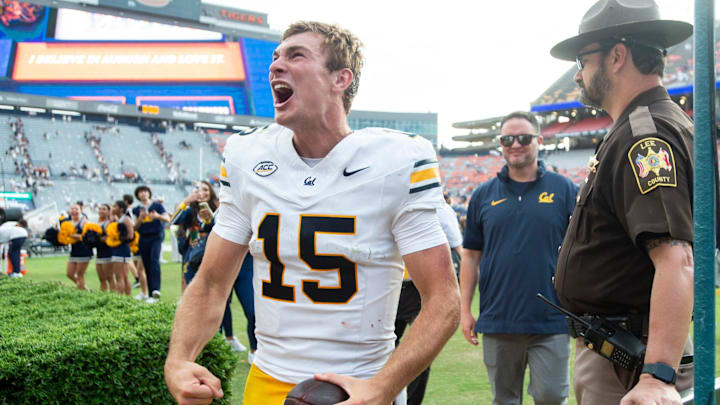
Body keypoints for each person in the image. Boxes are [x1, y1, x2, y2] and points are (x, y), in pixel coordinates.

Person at [164, 21, 460, 405]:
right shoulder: (247, 156)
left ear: (341, 78)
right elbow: (211, 283)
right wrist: (178, 359)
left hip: (361, 385)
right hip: (267, 377)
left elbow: (443, 299)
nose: (276, 66)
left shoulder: (396, 161)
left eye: (296, 55)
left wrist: (383, 387)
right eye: (275, 57)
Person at [549, 1, 694, 403]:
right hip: (622, 350)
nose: (578, 73)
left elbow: (676, 257)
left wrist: (657, 376)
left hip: (630, 360)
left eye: (583, 59)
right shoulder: (644, 124)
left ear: (617, 56)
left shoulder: (645, 135)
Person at [460, 111, 578, 405]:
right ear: (500, 144)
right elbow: (471, 256)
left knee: (552, 397)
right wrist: (464, 310)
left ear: (539, 140)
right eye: (507, 139)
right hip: (499, 319)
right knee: (504, 400)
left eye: (524, 138)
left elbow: (582, 250)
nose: (516, 144)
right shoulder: (482, 195)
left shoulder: (565, 189)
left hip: (551, 318)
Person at [394, 201, 463, 405]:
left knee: (420, 350)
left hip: (419, 288)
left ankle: (412, 401)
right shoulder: (389, 199)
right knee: (383, 347)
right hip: (392, 286)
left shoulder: (438, 208)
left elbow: (457, 247)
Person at [171, 180, 251, 353]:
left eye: (206, 189)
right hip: (192, 260)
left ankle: (228, 337)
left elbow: (228, 229)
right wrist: (187, 200)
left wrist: (211, 217)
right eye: (199, 190)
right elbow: (173, 221)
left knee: (221, 299)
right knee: (195, 299)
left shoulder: (218, 206)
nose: (202, 192)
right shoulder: (190, 210)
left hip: (216, 257)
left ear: (212, 192)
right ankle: (200, 341)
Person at [132, 185, 169, 300]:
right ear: (137, 195)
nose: (143, 194)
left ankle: (156, 289)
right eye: (140, 192)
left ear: (149, 193)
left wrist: (157, 216)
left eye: (145, 191)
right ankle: (150, 294)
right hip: (143, 237)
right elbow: (135, 227)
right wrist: (140, 219)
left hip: (156, 236)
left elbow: (167, 219)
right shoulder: (136, 209)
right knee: (147, 264)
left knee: (154, 260)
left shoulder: (157, 205)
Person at [64, 203, 93, 290]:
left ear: (81, 210)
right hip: (74, 250)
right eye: (72, 209)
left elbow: (85, 237)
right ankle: (84, 289)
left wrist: (71, 235)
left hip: (84, 249)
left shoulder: (84, 222)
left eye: (76, 209)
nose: (74, 211)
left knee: (80, 274)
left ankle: (82, 291)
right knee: (69, 273)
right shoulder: (68, 222)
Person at [110, 200, 134, 296]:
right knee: (122, 276)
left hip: (122, 249)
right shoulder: (119, 219)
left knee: (121, 276)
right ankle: (125, 297)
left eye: (115, 206)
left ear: (121, 209)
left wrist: (117, 238)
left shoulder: (126, 219)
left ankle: (122, 298)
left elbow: (130, 236)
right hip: (118, 249)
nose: (113, 208)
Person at [95, 204, 115, 292]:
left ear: (108, 212)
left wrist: (98, 238)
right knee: (101, 278)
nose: (101, 211)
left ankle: (114, 297)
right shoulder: (96, 223)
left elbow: (110, 236)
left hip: (108, 251)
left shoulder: (110, 222)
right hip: (99, 252)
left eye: (104, 209)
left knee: (109, 277)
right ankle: (102, 297)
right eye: (100, 209)